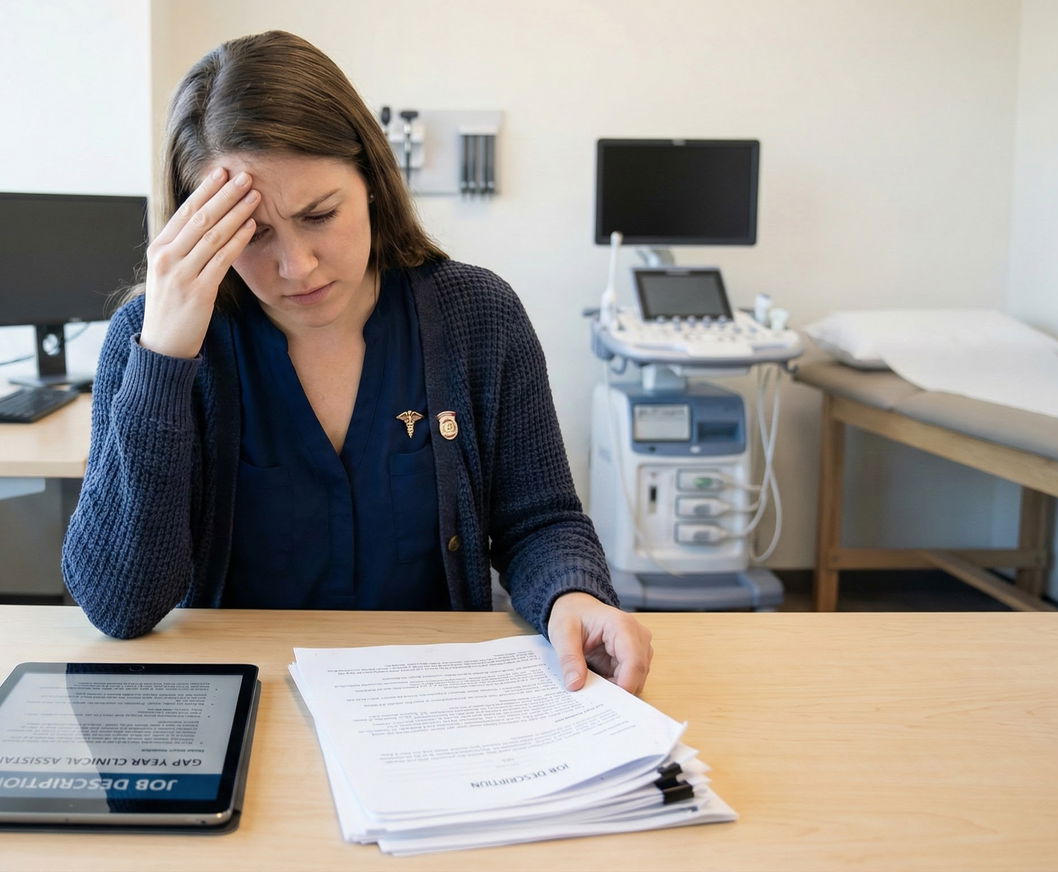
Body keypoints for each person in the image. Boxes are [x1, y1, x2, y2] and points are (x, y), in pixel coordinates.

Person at [61, 30, 652, 694]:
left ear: (371, 179)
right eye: (251, 236)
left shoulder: (477, 315)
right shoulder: (149, 343)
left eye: (319, 215)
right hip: (245, 699)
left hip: (433, 698)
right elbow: (119, 605)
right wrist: (165, 359)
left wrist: (572, 596)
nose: (296, 267)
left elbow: (539, 521)